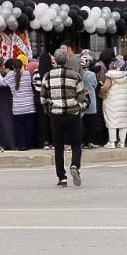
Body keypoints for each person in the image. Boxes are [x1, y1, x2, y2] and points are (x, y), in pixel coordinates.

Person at [39, 50, 90, 187]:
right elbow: (81, 97)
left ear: (55, 60)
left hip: (56, 115)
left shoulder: (48, 76)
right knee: (76, 144)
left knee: (58, 147)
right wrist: (83, 107)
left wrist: (48, 111)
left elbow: (43, 98)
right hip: (72, 114)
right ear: (67, 60)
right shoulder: (75, 76)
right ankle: (75, 165)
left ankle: (62, 178)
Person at [4, 58, 35, 151]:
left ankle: (21, 145)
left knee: (19, 127)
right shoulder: (27, 74)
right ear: (22, 66)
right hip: (30, 105)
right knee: (29, 126)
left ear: (12, 67)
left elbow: (1, 83)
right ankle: (28, 144)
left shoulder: (10, 75)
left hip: (18, 106)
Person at [100, 60, 127, 149]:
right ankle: (122, 143)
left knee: (112, 121)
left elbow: (105, 89)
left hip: (111, 101)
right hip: (123, 102)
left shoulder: (110, 77)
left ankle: (112, 142)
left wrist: (101, 90)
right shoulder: (126, 77)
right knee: (123, 122)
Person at [80, 53, 105, 148]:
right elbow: (94, 85)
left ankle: (82, 141)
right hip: (91, 100)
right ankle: (90, 141)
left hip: (81, 99)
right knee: (91, 123)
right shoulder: (91, 74)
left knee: (82, 123)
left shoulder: (78, 73)